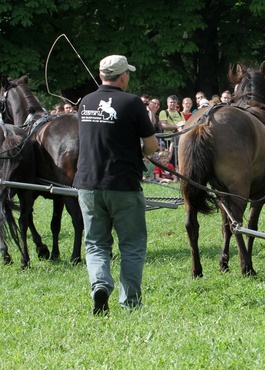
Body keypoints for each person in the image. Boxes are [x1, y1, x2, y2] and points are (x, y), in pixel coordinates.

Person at [74, 55, 158, 315]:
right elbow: (152, 146)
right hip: (122, 184)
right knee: (131, 244)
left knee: (96, 243)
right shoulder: (132, 103)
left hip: (87, 184)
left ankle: (100, 284)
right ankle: (130, 303)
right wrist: (141, 151)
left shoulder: (85, 102)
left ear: (101, 75)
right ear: (123, 76)